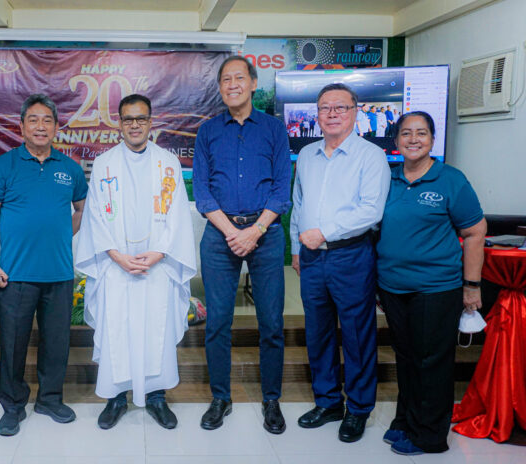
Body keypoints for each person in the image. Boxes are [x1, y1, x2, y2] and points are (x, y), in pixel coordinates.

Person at [75, 94, 196, 430]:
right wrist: (116, 255)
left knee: (156, 329)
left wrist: (158, 253)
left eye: (141, 118)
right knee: (117, 330)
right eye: (128, 119)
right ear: (119, 123)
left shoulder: (168, 162)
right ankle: (116, 397)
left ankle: (156, 397)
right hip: (117, 265)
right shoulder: (104, 164)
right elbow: (95, 216)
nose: (135, 125)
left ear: (151, 121)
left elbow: (177, 216)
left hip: (157, 265)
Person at [376, 111, 486, 456]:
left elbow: (474, 231)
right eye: (406, 133)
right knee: (407, 358)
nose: (413, 139)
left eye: (421, 133)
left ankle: (430, 436)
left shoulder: (450, 180)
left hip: (436, 289)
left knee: (432, 362)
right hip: (393, 287)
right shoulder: (388, 179)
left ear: (432, 140)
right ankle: (407, 421)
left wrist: (472, 285)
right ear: (395, 141)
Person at [0, 93, 88, 437]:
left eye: (47, 121)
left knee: (57, 344)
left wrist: (56, 233)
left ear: (57, 127)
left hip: (59, 274)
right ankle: (12, 405)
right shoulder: (2, 166)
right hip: (15, 276)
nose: (41, 126)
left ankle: (50, 399)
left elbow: (82, 211)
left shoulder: (69, 169)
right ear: (21, 126)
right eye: (34, 120)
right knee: (13, 344)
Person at [193, 55, 292, 434]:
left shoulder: (273, 129)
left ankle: (271, 400)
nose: (232, 84)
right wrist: (232, 232)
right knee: (218, 322)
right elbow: (202, 192)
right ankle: (221, 397)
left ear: (253, 82)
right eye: (225, 80)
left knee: (271, 323)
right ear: (219, 88)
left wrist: (254, 231)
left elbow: (282, 187)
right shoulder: (207, 132)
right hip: (220, 235)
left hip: (265, 235)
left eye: (239, 78)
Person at [290, 83, 390, 443]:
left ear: (354, 111)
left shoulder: (370, 156)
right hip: (311, 257)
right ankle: (328, 401)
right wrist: (296, 248)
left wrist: (325, 233)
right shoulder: (306, 155)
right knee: (317, 333)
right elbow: (298, 204)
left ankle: (358, 409)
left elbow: (371, 211)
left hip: (351, 255)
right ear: (316, 115)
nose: (332, 114)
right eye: (325, 108)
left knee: (357, 335)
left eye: (340, 107)